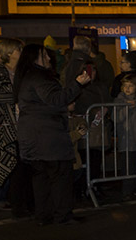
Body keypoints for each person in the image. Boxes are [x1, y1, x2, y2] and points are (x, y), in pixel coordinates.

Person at [14, 44, 91, 225]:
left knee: (41, 178)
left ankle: (44, 215)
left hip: (35, 137)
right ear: (36, 58)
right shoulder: (39, 77)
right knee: (59, 176)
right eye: (45, 56)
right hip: (47, 136)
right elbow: (56, 99)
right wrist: (77, 84)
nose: (49, 58)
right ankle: (62, 215)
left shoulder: (26, 77)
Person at [0, 39, 23, 212]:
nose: (20, 51)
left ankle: (11, 197)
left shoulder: (22, 73)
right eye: (18, 49)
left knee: (16, 163)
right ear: (9, 53)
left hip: (21, 125)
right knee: (0, 160)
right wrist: (19, 96)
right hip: (3, 126)